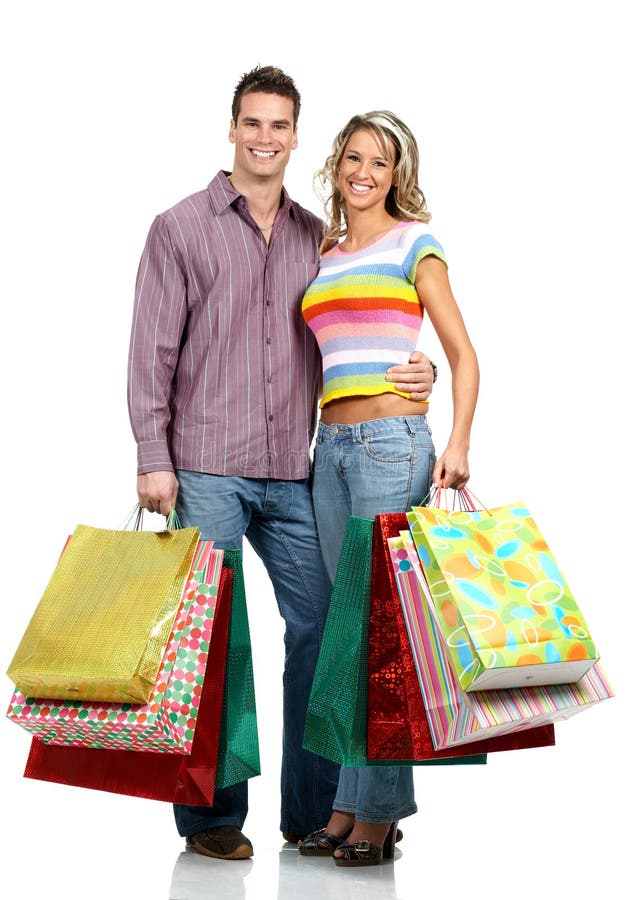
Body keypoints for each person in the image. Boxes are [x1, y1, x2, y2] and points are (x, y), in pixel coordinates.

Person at [127, 67, 435, 861]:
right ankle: (211, 820)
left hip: (295, 468)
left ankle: (318, 810)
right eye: (252, 123)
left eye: (279, 126)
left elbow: (362, 320)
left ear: (297, 138)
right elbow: (151, 352)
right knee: (215, 637)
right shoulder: (180, 227)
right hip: (203, 467)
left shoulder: (315, 238)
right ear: (231, 128)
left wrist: (419, 367)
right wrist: (151, 457)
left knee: (325, 628)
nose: (265, 138)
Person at [298, 110, 479, 866]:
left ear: (398, 174)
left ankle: (378, 813)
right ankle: (346, 803)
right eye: (352, 158)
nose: (363, 172)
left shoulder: (415, 245)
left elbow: (463, 356)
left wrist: (459, 440)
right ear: (336, 166)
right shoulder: (326, 252)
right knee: (347, 635)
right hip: (327, 449)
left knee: (382, 635)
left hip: (389, 445)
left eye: (379, 161)